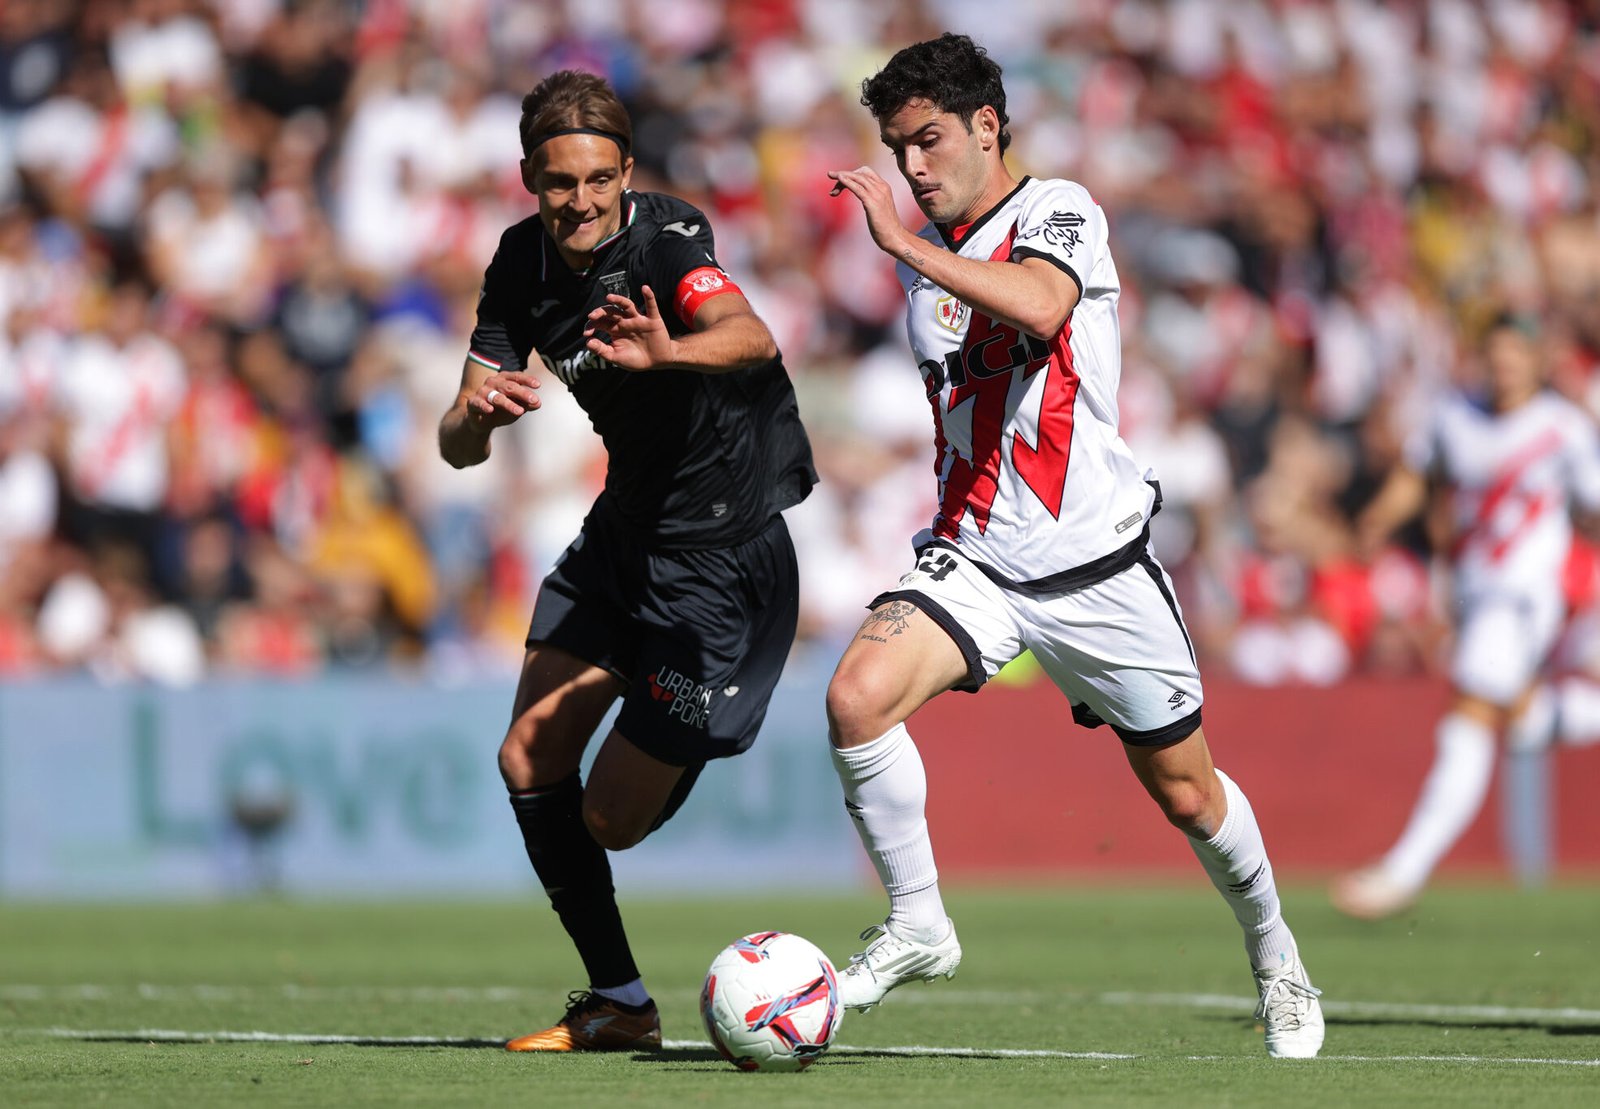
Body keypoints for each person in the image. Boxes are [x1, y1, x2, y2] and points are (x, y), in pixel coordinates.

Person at [822, 34, 1323, 1059]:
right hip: (975, 562)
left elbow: (1044, 305)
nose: (912, 169)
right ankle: (919, 922)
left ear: (986, 127)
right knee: (854, 697)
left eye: (927, 142)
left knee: (1187, 790)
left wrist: (902, 245)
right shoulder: (933, 271)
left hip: (1095, 566)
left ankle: (1277, 955)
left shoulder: (1059, 210)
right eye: (896, 148)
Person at [437, 70, 816, 1053]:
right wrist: (472, 417)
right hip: (623, 538)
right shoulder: (519, 266)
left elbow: (749, 334)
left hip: (721, 567)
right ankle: (618, 1000)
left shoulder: (670, 241)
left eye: (599, 179)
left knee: (609, 817)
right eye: (560, 181)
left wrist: (668, 355)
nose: (581, 200)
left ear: (627, 173)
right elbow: (456, 440)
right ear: (529, 177)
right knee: (525, 755)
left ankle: (686, 714)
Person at [1331, 312, 1600, 919]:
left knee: (1469, 718)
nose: (1504, 366)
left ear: (1536, 361)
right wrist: (1379, 518)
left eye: (1515, 355)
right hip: (1474, 596)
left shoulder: (1562, 428)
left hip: (1526, 598)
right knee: (1521, 718)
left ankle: (1402, 873)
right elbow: (1418, 475)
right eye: (1496, 354)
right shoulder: (1456, 416)